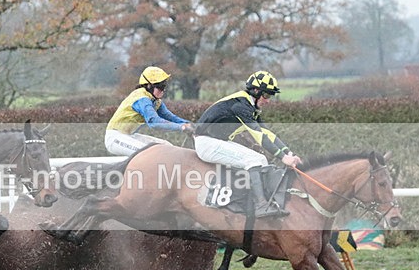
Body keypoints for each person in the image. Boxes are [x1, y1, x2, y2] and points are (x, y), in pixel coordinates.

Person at [194, 70, 302, 218]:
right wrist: (283, 158)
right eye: (266, 95)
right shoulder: (241, 106)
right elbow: (258, 136)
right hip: (206, 144)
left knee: (261, 159)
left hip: (216, 141)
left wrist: (289, 153)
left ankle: (263, 202)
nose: (268, 100)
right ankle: (260, 205)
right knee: (253, 160)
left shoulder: (250, 106)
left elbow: (267, 133)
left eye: (270, 96)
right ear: (256, 91)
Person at [104, 66, 194, 156]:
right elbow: (154, 122)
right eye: (160, 86)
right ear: (149, 85)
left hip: (129, 136)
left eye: (164, 86)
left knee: (168, 147)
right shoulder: (142, 98)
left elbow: (170, 117)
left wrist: (190, 124)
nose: (163, 90)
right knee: (149, 154)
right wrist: (182, 127)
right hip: (115, 138)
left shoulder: (155, 100)